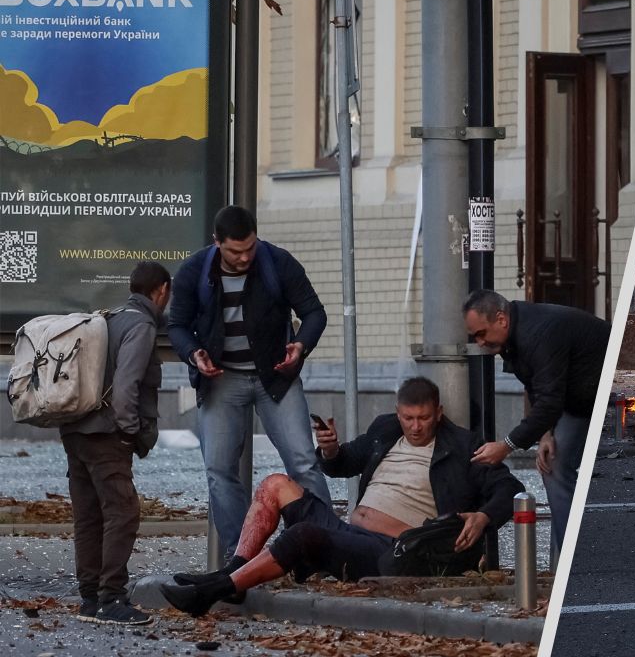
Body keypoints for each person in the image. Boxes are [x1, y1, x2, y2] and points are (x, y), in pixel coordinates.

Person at [160, 377, 524, 616]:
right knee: (274, 483)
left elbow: (509, 488)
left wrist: (483, 517)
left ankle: (215, 590)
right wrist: (331, 450)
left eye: (424, 418)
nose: (415, 427)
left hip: (390, 549)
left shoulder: (463, 446)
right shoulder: (386, 429)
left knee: (301, 536)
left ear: (438, 413)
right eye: (408, 418)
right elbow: (344, 463)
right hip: (348, 531)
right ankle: (232, 575)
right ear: (398, 414)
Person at [168, 205, 331, 559]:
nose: (244, 258)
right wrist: (195, 353)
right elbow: (177, 326)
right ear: (217, 243)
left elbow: (314, 312)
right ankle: (239, 557)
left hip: (276, 377)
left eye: (250, 248)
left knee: (303, 461)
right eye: (235, 251)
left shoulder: (277, 262)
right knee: (219, 468)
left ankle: (325, 547)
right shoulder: (194, 270)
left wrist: (301, 346)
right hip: (221, 380)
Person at [61, 261, 172, 625]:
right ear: (162, 291)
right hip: (106, 435)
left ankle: (90, 599)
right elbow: (126, 388)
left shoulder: (107, 318)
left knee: (89, 516)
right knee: (122, 512)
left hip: (76, 430)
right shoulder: (140, 325)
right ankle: (112, 598)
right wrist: (128, 432)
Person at [462, 289, 608, 551]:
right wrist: (545, 434)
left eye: (481, 333)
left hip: (598, 393)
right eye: (474, 336)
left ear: (501, 319)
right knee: (553, 463)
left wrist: (507, 445)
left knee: (558, 466)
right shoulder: (514, 336)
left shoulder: (538, 333)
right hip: (576, 397)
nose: (480, 342)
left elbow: (549, 401)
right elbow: (537, 387)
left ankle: (570, 553)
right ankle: (563, 554)